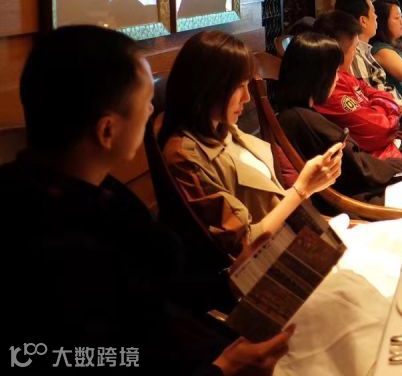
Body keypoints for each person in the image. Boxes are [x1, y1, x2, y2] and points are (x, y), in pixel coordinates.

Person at [1, 25, 293, 375]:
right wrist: (224, 368)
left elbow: (158, 291)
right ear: (107, 131)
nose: (152, 111)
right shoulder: (53, 245)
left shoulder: (99, 192)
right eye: (145, 103)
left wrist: (231, 276)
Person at [161, 30, 343, 256]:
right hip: (268, 262)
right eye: (239, 86)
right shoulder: (186, 155)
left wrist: (312, 185)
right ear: (209, 86)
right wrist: (302, 189)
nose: (247, 98)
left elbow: (271, 198)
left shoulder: (225, 131)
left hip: (294, 242)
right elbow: (244, 243)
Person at [277, 32, 402, 203]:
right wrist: (399, 166)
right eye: (335, 72)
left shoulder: (295, 115)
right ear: (320, 77)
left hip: (363, 181)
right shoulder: (302, 118)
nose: (337, 78)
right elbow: (356, 167)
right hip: (357, 197)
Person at [312, 10, 402, 162]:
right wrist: (385, 110)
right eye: (354, 49)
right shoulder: (331, 89)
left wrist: (377, 108)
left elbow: (376, 93)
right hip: (382, 159)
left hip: (393, 144)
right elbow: (382, 129)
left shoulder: (344, 76)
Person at [335, 0, 402, 122]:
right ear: (363, 21)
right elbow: (367, 104)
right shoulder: (358, 55)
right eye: (373, 12)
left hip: (396, 110)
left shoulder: (366, 51)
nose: (376, 17)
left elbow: (377, 94)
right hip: (391, 120)